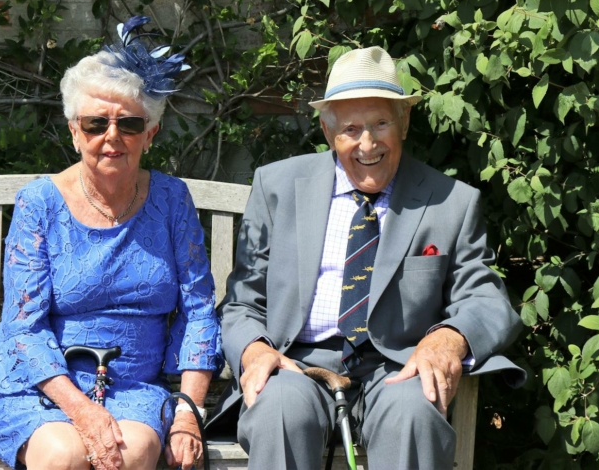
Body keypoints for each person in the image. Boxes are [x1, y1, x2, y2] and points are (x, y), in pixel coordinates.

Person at [210, 46, 525, 469]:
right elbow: (243, 300)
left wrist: (447, 339)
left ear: (405, 122)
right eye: (351, 129)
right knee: (278, 408)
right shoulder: (279, 186)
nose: (368, 143)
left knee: (414, 413)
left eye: (381, 124)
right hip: (298, 364)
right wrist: (254, 351)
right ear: (327, 131)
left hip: (398, 368)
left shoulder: (450, 202)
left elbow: (485, 300)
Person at [0, 16, 221, 470]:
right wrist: (82, 410)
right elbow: (23, 328)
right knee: (63, 455)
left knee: (135, 452)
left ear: (150, 133)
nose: (111, 137)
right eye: (95, 123)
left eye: (128, 124)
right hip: (41, 385)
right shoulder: (39, 204)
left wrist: (188, 410)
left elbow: (199, 309)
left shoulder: (171, 199)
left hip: (132, 387)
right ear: (74, 130)